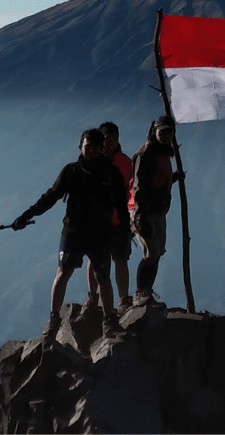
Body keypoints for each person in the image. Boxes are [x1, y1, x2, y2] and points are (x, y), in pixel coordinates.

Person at [12, 128, 129, 338]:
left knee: (102, 277)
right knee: (64, 273)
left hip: (100, 234)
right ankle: (54, 320)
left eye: (96, 146)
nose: (91, 150)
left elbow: (121, 205)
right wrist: (27, 215)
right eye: (88, 146)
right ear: (80, 147)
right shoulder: (71, 171)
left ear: (101, 148)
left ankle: (109, 321)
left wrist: (125, 230)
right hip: (74, 233)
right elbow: (51, 196)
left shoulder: (111, 173)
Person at [83, 122, 134, 314]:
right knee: (94, 260)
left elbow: (132, 190)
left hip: (119, 221)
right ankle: (92, 297)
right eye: (107, 139)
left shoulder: (126, 162)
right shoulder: (91, 162)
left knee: (121, 260)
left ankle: (123, 300)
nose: (111, 142)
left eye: (114, 139)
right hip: (97, 221)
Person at [130, 115, 181, 307]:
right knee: (150, 252)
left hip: (158, 211)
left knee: (157, 253)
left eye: (170, 132)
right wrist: (140, 217)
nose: (166, 135)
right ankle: (140, 293)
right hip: (143, 212)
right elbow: (139, 186)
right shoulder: (146, 153)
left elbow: (156, 182)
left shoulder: (165, 153)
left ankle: (147, 292)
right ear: (154, 131)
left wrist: (174, 178)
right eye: (163, 132)